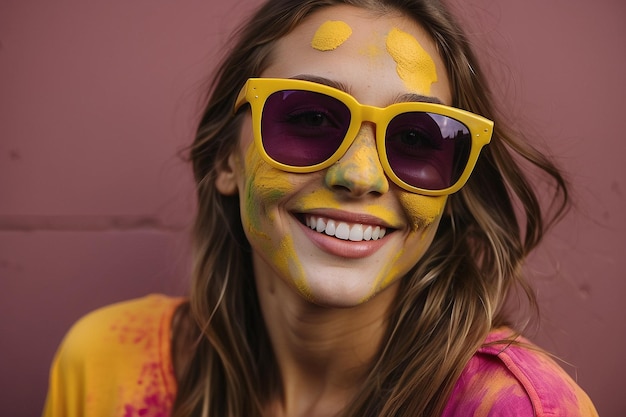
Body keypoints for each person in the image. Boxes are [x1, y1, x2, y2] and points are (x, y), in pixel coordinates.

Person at [42, 0, 600, 416]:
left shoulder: (519, 409)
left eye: (416, 139)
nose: (357, 177)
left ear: (452, 190)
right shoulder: (105, 367)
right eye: (308, 118)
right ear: (226, 161)